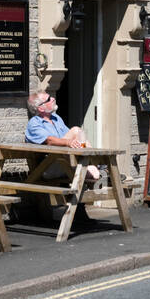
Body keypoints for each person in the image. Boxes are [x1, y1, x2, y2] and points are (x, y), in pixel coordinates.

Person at [23, 92, 99, 227]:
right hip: (46, 167)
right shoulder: (34, 124)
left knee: (94, 173)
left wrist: (71, 142)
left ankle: (79, 211)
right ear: (40, 108)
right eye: (48, 99)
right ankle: (94, 161)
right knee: (76, 130)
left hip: (63, 162)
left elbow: (70, 139)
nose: (53, 98)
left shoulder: (56, 118)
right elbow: (50, 140)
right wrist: (68, 143)